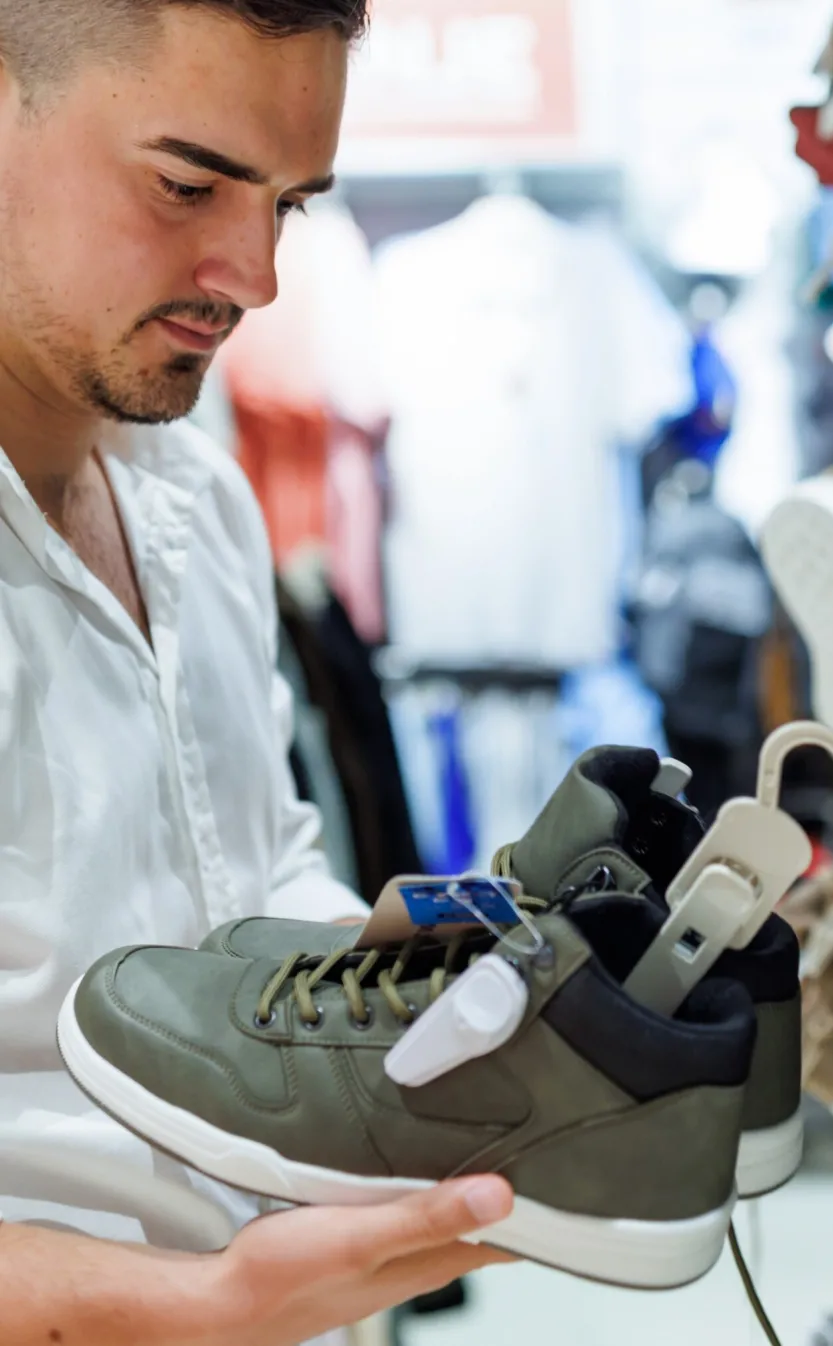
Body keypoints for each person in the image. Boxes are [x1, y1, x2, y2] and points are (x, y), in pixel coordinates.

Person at [0, 2, 514, 1342]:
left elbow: (250, 879)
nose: (256, 273)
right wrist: (209, 1306)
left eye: (288, 204)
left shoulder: (200, 505)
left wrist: (453, 965)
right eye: (188, 184)